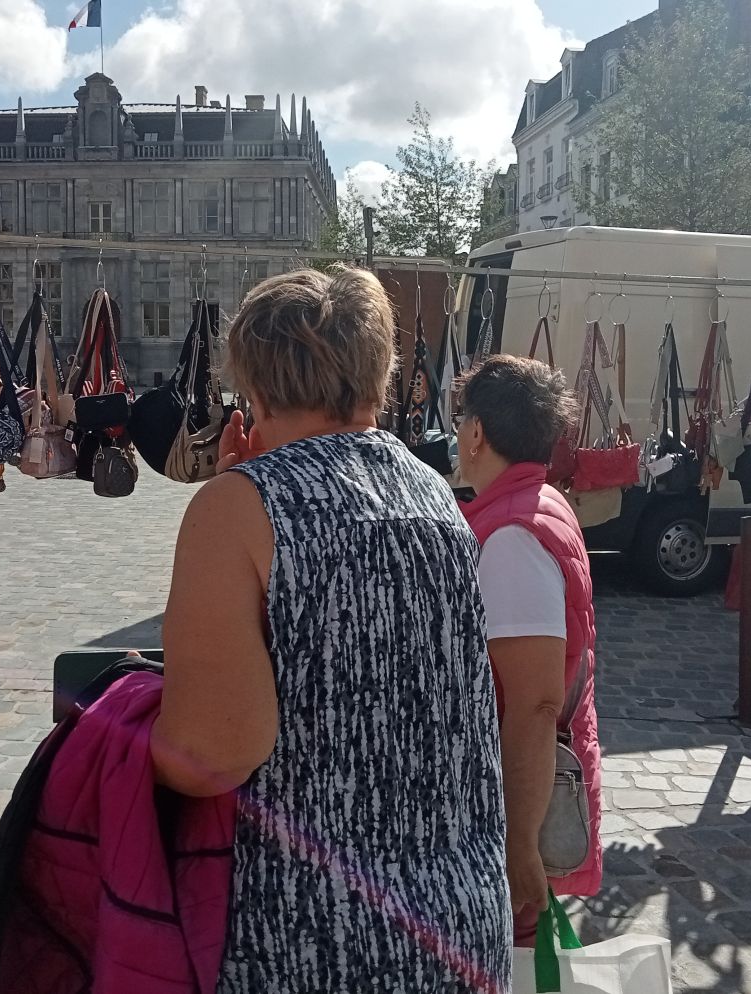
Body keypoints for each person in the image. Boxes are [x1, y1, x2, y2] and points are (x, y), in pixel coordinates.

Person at [152, 268, 510, 992]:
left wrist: (120, 740)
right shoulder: (435, 493)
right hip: (463, 924)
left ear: (251, 382)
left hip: (312, 935)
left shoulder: (238, 509)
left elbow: (209, 753)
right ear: (379, 370)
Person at [454, 354, 603, 942]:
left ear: (475, 433)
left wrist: (519, 849)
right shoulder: (535, 503)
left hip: (518, 805)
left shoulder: (513, 536)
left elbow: (534, 704)